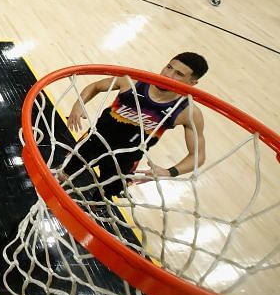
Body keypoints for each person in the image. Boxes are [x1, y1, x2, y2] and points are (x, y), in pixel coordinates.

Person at [62, 53, 209, 203]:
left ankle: (95, 208)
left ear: (192, 83)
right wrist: (78, 106)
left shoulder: (187, 112)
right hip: (94, 140)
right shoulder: (133, 81)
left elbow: (198, 156)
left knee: (103, 196)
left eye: (179, 74)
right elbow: (96, 86)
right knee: (64, 172)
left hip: (126, 158)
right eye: (169, 67)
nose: (168, 75)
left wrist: (170, 172)